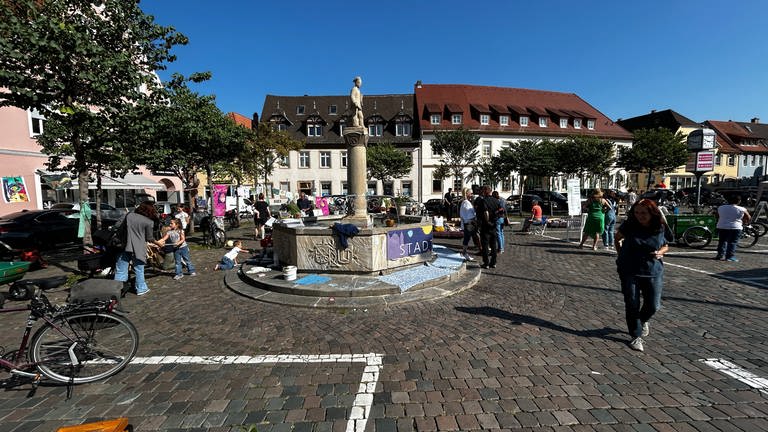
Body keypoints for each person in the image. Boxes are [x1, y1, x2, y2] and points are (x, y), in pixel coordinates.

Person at [614, 199, 669, 352]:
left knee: (653, 305)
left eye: (644, 213)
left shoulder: (660, 226)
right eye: (637, 212)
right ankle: (635, 335)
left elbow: (666, 245)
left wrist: (660, 252)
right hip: (629, 269)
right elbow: (617, 238)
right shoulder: (630, 225)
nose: (640, 216)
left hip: (653, 270)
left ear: (652, 213)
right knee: (632, 302)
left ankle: (642, 321)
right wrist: (621, 256)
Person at [114, 201, 161, 296]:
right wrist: (158, 243)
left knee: (121, 269)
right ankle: (141, 288)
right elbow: (149, 238)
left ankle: (116, 291)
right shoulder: (149, 222)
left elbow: (117, 226)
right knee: (139, 270)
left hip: (123, 245)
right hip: (138, 248)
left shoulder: (128, 215)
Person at [714, 195, 751, 261]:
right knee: (732, 242)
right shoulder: (741, 209)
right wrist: (745, 222)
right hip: (735, 227)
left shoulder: (721, 207)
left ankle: (720, 255)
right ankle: (729, 257)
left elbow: (717, 216)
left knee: (722, 241)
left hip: (722, 226)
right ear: (739, 201)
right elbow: (748, 217)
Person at [474, 185, 500, 269]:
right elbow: (501, 212)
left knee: (485, 245)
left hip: (486, 225)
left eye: (482, 190)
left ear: (484, 191)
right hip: (494, 225)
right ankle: (494, 262)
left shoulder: (483, 201)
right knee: (493, 245)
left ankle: (486, 263)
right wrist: (495, 220)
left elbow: (484, 212)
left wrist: (486, 221)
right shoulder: (496, 200)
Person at [459, 188, 477, 261]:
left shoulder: (466, 202)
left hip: (468, 223)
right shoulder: (466, 202)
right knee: (467, 238)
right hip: (469, 223)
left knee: (468, 238)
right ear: (467, 194)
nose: (472, 195)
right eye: (471, 193)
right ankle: (464, 252)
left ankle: (465, 252)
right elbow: (469, 214)